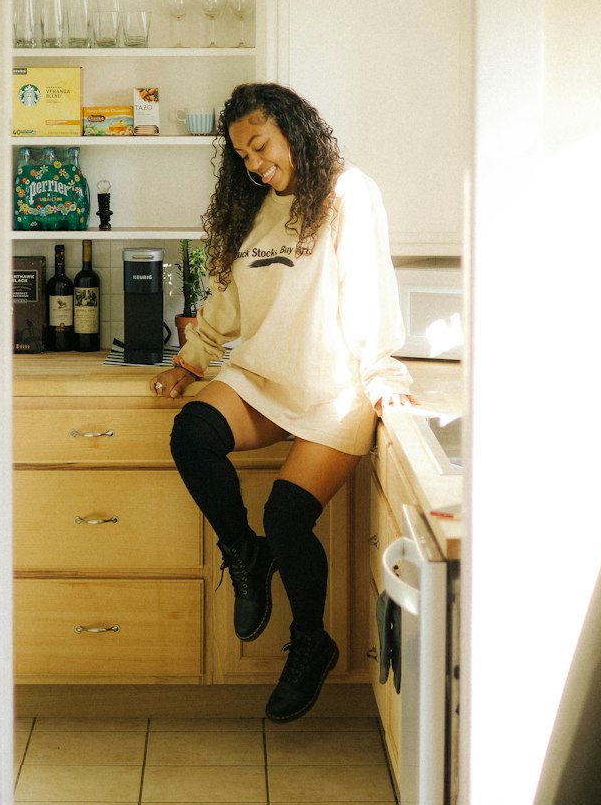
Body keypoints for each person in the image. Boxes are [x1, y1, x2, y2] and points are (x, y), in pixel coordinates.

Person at [150, 82, 414, 722]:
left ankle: (311, 642)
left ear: (293, 129)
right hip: (265, 378)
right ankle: (244, 552)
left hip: (332, 389)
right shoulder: (257, 212)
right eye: (241, 154)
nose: (252, 162)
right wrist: (192, 357)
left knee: (288, 515)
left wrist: (381, 371)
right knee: (193, 435)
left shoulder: (349, 193)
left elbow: (368, 288)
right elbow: (232, 301)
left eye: (259, 145)